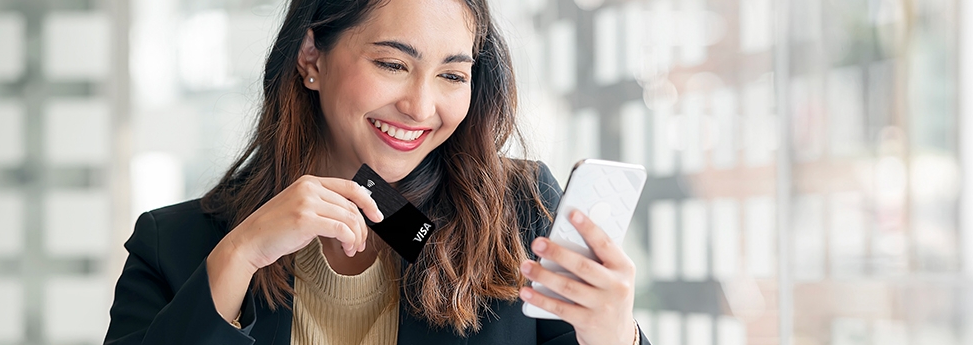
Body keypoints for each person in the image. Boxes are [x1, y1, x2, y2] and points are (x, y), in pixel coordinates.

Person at [103, 0, 648, 344]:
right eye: (392, 65)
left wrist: (613, 335)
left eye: (452, 76)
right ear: (312, 57)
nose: (420, 106)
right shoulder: (171, 245)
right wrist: (239, 256)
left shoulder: (519, 214)